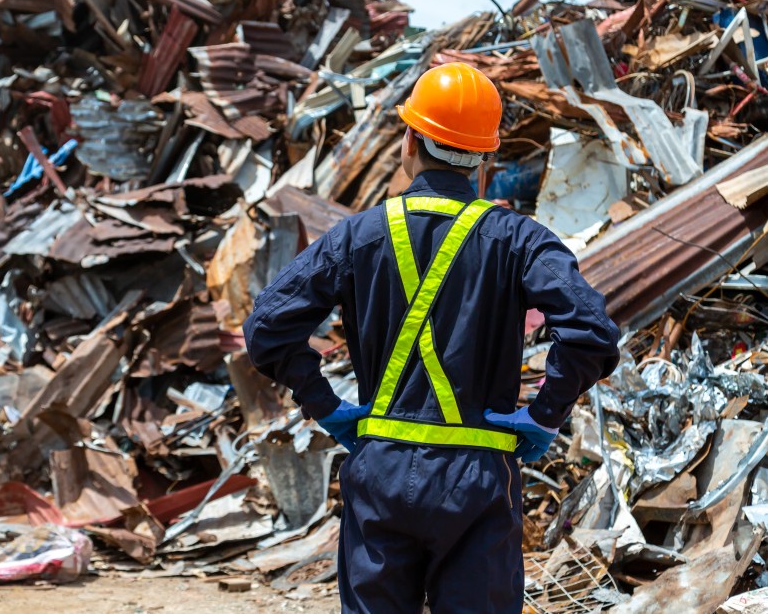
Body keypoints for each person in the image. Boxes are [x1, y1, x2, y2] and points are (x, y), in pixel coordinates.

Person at [242, 61, 620, 614]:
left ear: (408, 141)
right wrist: (544, 413)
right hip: (479, 478)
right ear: (485, 158)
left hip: (381, 473)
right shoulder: (518, 239)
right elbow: (591, 333)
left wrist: (326, 405)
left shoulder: (357, 235)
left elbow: (267, 329)